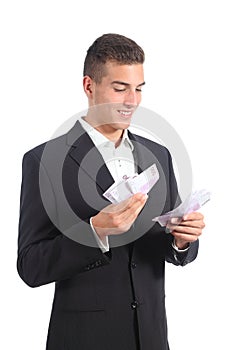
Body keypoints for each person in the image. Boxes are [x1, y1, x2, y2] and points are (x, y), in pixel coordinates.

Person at [17, 33, 205, 350]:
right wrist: (94, 232)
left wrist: (182, 240)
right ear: (89, 86)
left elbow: (165, 247)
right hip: (84, 339)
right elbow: (30, 266)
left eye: (138, 89)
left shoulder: (159, 155)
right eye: (120, 88)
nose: (132, 101)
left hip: (151, 336)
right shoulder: (44, 161)